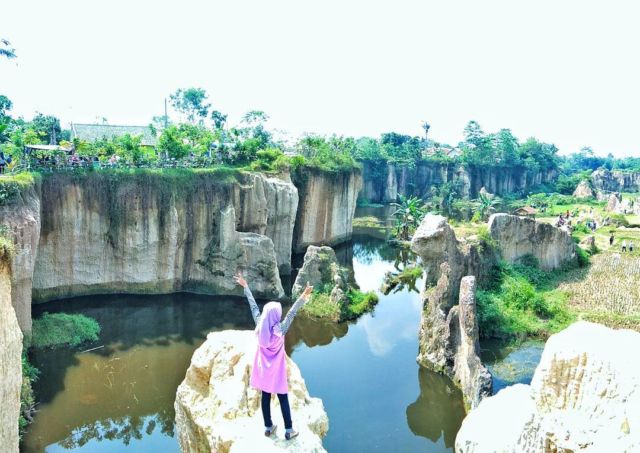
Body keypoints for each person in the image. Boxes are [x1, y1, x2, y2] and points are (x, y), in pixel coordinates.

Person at [234, 272, 314, 440]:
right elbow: (292, 312)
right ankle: (289, 430)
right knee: (283, 398)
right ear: (276, 316)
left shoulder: (259, 325)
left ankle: (268, 427)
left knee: (265, 398)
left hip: (263, 371)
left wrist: (246, 286)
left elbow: (254, 307)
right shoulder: (281, 329)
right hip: (277, 372)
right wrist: (304, 295)